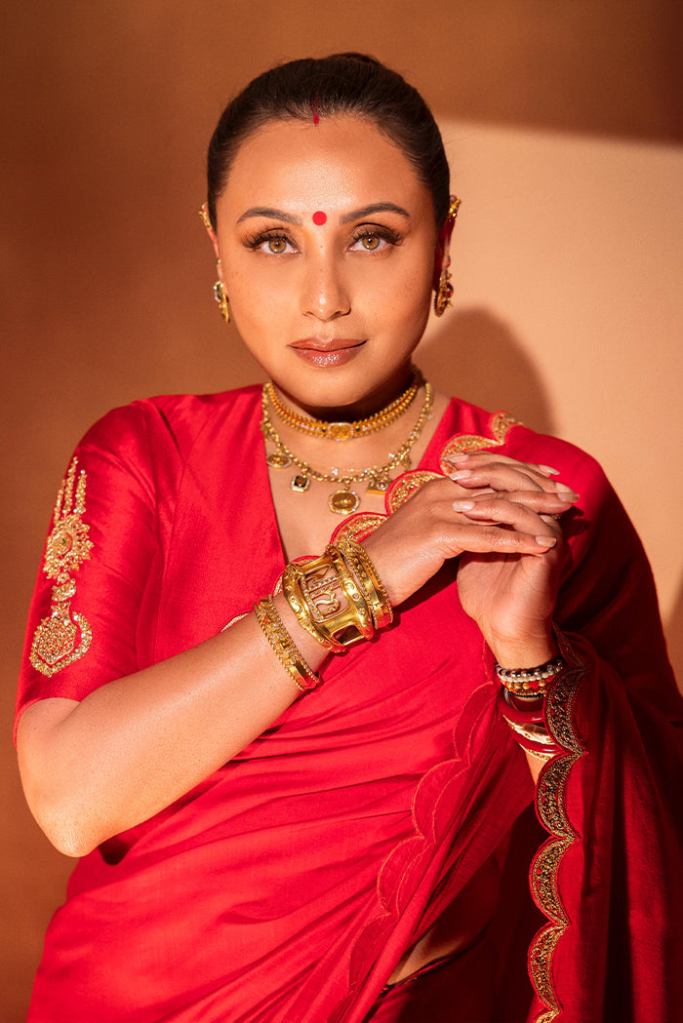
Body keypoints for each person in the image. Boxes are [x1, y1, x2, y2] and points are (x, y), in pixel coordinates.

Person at [14, 52, 682, 1023]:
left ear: (443, 241)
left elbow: (648, 835)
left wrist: (528, 662)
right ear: (215, 250)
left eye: (370, 237)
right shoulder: (142, 457)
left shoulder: (540, 497)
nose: (322, 298)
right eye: (272, 242)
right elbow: (72, 798)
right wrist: (363, 575)